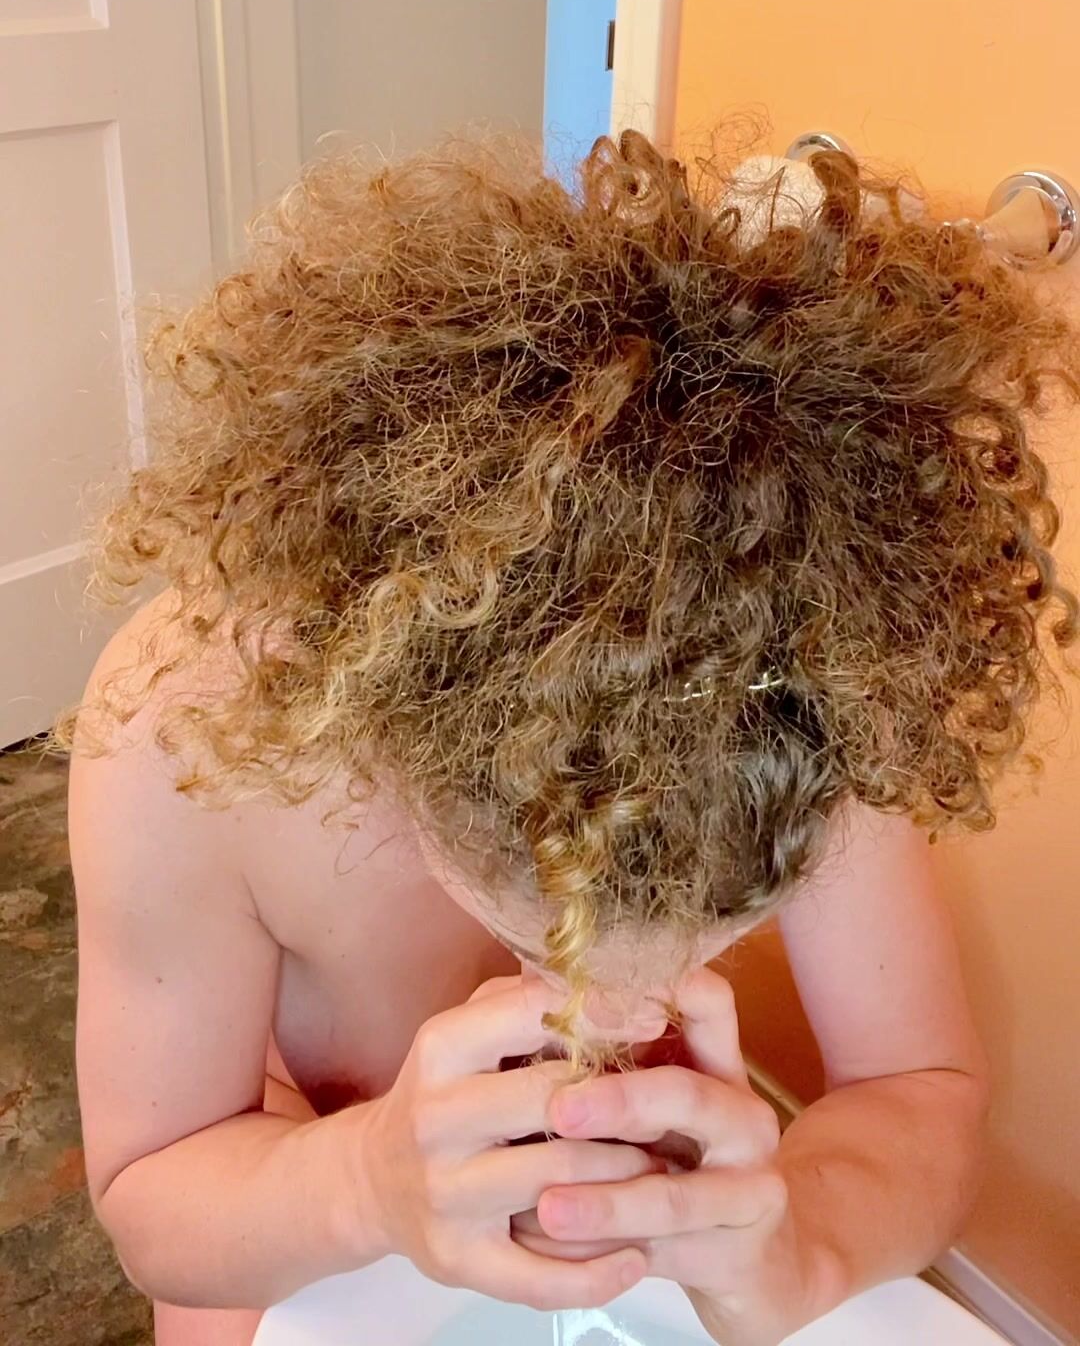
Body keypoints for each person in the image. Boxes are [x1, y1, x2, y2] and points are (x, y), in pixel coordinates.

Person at [65, 129, 1077, 1346]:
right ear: (399, 743)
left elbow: (919, 1089)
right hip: (291, 1221)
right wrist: (366, 1180)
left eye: (715, 933)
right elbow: (155, 1192)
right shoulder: (184, 725)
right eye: (550, 937)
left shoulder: (807, 673)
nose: (625, 1015)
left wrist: (797, 1247)